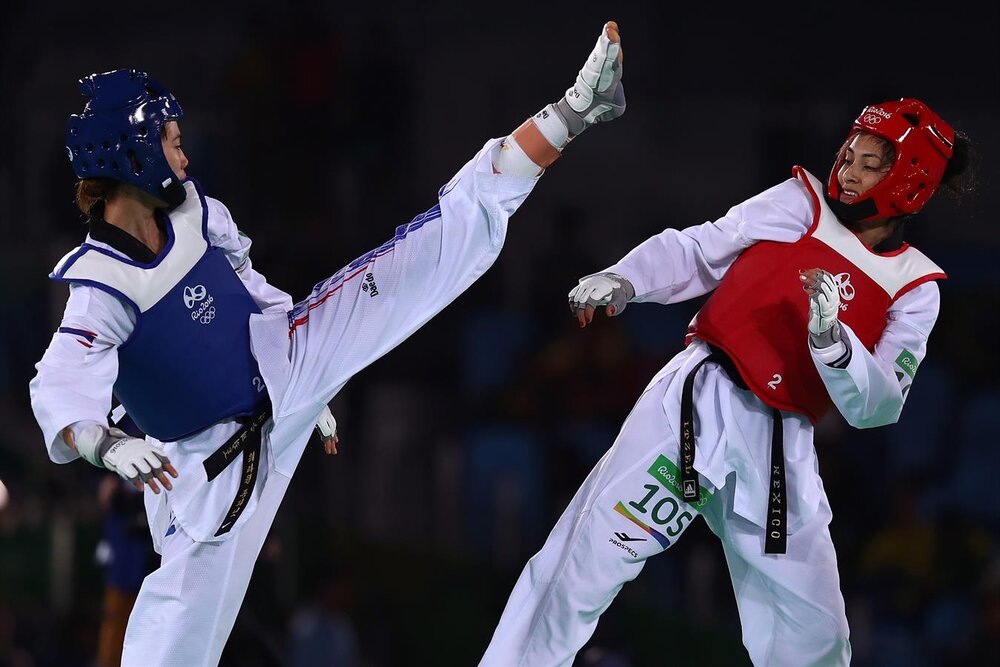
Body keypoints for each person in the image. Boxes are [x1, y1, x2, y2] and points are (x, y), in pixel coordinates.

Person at [29, 21, 625, 664]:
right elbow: (58, 384)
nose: (185, 157)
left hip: (287, 366)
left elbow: (251, 292)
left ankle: (576, 109)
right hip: (207, 474)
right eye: (172, 143)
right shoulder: (101, 285)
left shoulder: (197, 212)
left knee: (417, 259)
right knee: (172, 643)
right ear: (134, 153)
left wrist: (311, 387)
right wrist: (108, 445)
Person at [479, 98, 974, 666]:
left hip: (781, 445)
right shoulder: (800, 202)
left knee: (814, 631)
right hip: (698, 400)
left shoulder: (914, 287)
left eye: (869, 165)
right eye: (848, 154)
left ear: (909, 186)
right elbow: (701, 248)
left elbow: (879, 406)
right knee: (585, 561)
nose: (847, 171)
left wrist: (834, 343)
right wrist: (627, 278)